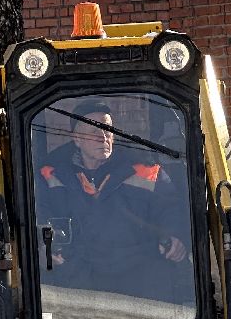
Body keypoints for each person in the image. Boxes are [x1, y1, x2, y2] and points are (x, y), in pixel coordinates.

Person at [36, 99, 192, 302]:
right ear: (76, 139)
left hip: (140, 278)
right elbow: (41, 217)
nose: (103, 138)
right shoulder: (49, 175)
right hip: (78, 283)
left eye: (107, 130)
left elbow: (171, 209)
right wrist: (44, 251)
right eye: (93, 132)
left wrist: (176, 237)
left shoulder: (146, 170)